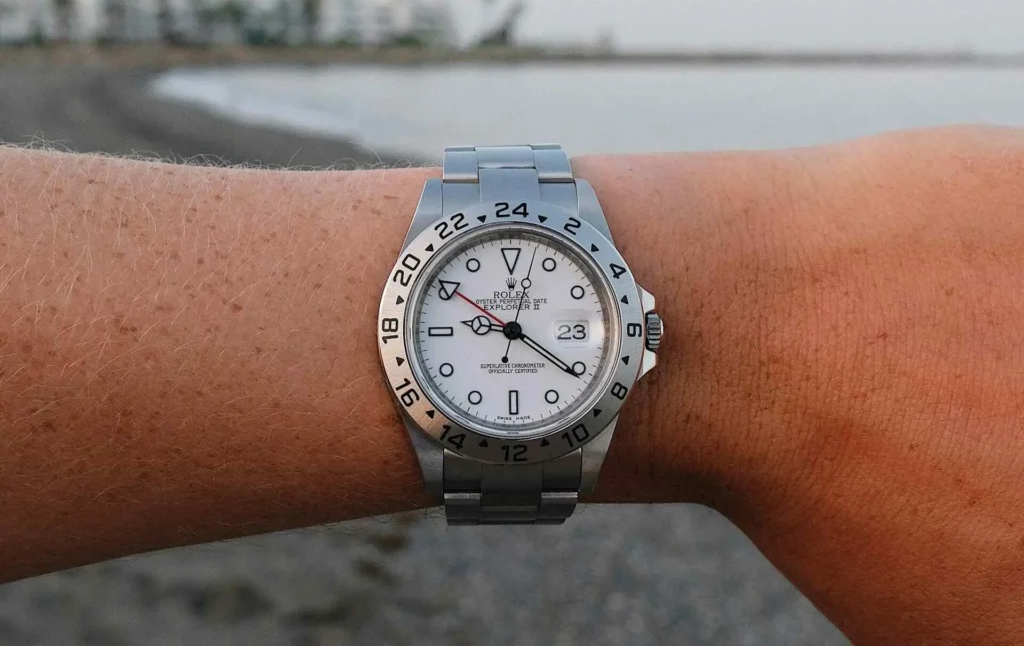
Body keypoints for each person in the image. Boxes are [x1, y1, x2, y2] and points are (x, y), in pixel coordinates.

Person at [0, 126, 1022, 644]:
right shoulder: (448, 292)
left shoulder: (603, 319)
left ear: (638, 329)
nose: (516, 328)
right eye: (495, 320)